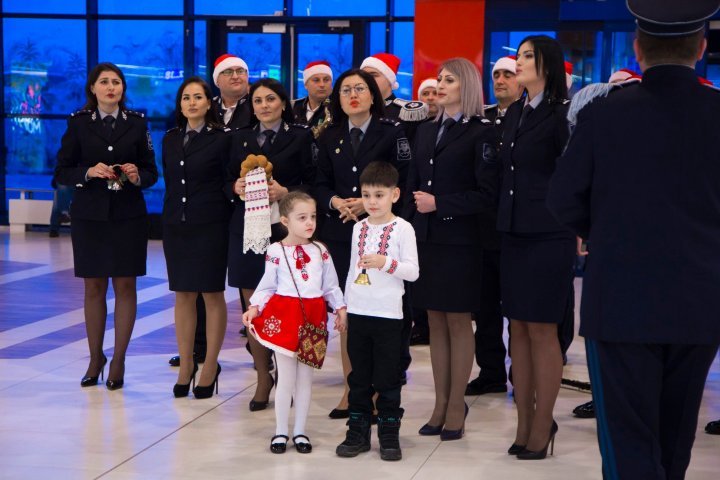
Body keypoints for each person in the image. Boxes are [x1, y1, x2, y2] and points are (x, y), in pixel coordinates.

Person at [547, 1, 720, 477]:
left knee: (627, 444)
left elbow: (562, 199)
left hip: (621, 299)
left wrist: (604, 230)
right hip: (700, 300)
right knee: (675, 438)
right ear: (702, 48)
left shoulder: (605, 114)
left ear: (637, 48)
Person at [404, 57, 499, 441]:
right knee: (435, 322)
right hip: (426, 239)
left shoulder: (482, 133)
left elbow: (487, 194)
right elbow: (412, 186)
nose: (440, 85)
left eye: (450, 80)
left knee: (458, 322)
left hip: (461, 241)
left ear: (467, 87)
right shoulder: (425, 131)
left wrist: (441, 203)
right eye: (439, 79)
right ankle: (440, 402)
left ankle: (456, 404)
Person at [54, 62, 158, 389]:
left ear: (123, 89)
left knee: (126, 287)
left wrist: (137, 175)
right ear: (93, 89)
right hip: (90, 216)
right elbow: (62, 172)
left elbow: (152, 172)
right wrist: (88, 172)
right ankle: (95, 357)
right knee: (94, 287)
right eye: (104, 82)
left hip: (128, 215)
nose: (111, 87)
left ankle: (119, 360)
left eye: (116, 82)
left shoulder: (138, 124)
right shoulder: (80, 123)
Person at [314, 68, 411, 419]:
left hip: (383, 235)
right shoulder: (329, 136)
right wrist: (336, 202)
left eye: (360, 89)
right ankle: (351, 390)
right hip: (342, 234)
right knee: (349, 314)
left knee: (380, 316)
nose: (353, 95)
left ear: (373, 94)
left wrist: (368, 203)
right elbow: (319, 183)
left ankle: (380, 392)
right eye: (345, 90)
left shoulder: (392, 131)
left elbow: (405, 177)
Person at [495, 35, 574, 459]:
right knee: (518, 331)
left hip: (549, 234)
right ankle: (524, 424)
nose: (518, 63)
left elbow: (576, 175)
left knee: (543, 331)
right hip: (513, 233)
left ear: (548, 63)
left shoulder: (563, 114)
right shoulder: (514, 114)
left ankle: (543, 426)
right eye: (518, 55)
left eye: (527, 56)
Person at [227, 78, 316, 411]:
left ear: (283, 103)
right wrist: (234, 186)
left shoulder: (301, 136)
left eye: (271, 99)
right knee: (254, 304)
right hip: (248, 232)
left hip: (287, 231)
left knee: (289, 302)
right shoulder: (239, 139)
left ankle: (289, 374)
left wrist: (287, 191)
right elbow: (224, 180)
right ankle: (263, 375)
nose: (264, 106)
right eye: (258, 101)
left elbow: (313, 179)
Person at [243, 191, 347, 454]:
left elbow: (331, 285)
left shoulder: (321, 251)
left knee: (305, 378)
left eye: (312, 217)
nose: (310, 222)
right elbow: (268, 284)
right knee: (285, 377)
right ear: (286, 221)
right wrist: (255, 306)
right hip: (285, 317)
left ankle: (300, 430)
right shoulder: (276, 251)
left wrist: (341, 308)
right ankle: (280, 431)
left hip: (313, 318)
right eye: (302, 217)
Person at [168, 53, 254, 368]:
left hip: (234, 215)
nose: (235, 77)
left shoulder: (254, 110)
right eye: (228, 72)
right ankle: (196, 349)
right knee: (190, 289)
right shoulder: (173, 138)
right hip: (185, 221)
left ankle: (258, 350)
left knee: (236, 285)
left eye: (241, 71)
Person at [335, 161, 419, 461]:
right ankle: (357, 433)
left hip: (388, 316)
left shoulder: (403, 229)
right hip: (358, 313)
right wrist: (344, 306)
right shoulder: (358, 227)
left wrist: (386, 263)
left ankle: (388, 435)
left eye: (379, 195)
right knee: (358, 377)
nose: (372, 202)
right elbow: (350, 270)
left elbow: (413, 272)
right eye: (367, 195)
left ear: (395, 195)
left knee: (387, 378)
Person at [162, 77, 232, 399]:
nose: (191, 102)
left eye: (198, 97)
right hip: (177, 226)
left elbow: (229, 183)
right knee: (183, 295)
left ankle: (210, 365)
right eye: (186, 97)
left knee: (212, 295)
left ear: (209, 102)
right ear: (180, 104)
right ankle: (187, 365)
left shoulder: (222, 139)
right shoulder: (171, 139)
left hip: (211, 225)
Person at [465, 54, 523, 397]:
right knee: (485, 308)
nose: (500, 80)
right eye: (496, 74)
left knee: (517, 309)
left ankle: (522, 372)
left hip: (517, 228)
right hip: (482, 229)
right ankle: (490, 372)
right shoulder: (481, 120)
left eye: (508, 74)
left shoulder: (527, 119)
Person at [292, 60, 334, 137]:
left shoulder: (339, 109)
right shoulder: (294, 107)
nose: (322, 84)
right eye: (316, 80)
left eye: (326, 80)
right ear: (305, 85)